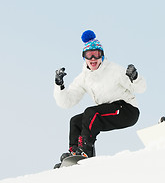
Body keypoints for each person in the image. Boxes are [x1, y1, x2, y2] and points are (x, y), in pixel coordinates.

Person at [53, 30, 146, 164]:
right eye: (89, 55)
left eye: (96, 55)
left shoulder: (114, 70)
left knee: (91, 113)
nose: (93, 59)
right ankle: (74, 152)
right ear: (84, 57)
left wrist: (135, 78)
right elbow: (67, 102)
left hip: (127, 110)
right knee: (76, 121)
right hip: (107, 110)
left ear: (101, 56)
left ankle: (86, 150)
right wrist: (59, 85)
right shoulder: (84, 78)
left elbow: (140, 88)